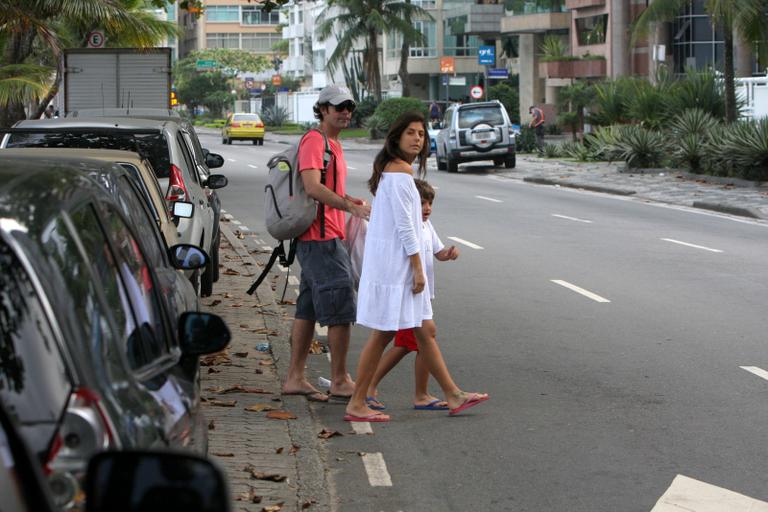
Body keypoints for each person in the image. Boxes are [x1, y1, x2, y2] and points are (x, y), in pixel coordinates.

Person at [345, 111, 489, 422]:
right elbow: (406, 227)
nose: (417, 139)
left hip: (398, 266)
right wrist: (417, 267)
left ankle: (452, 393)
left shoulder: (399, 172)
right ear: (396, 137)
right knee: (383, 333)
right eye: (410, 133)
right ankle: (358, 401)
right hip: (395, 268)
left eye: (421, 134)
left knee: (425, 330)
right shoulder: (398, 174)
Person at [281, 85, 371, 403]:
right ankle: (339, 379)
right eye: (338, 106)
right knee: (341, 305)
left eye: (349, 106)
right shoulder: (314, 141)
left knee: (307, 307)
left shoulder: (334, 144)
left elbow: (328, 189)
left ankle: (294, 377)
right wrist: (349, 207)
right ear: (322, 109)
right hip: (319, 239)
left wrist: (348, 200)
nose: (345, 111)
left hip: (329, 235)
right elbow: (312, 187)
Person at [364, 179, 459, 412]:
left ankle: (417, 393)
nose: (427, 209)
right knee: (409, 340)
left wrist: (448, 253)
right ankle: (369, 387)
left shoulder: (427, 226)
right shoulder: (406, 227)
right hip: (407, 294)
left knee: (414, 341)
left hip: (420, 295)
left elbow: (438, 252)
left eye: (430, 203)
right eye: (422, 204)